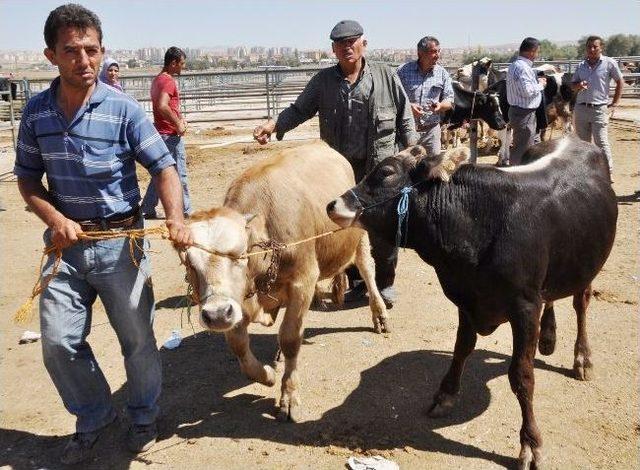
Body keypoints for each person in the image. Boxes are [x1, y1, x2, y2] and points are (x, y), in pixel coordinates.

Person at [13, 4, 192, 464]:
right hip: (64, 248)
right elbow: (28, 182)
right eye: (71, 50)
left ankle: (143, 415)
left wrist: (176, 218)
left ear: (102, 51)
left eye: (91, 50)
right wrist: (54, 219)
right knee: (57, 342)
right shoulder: (35, 114)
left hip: (121, 243)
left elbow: (164, 167)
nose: (84, 60)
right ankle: (94, 415)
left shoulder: (123, 109)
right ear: (51, 54)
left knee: (136, 338)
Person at [252, 19, 417, 308]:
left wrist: (413, 151)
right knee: (345, 227)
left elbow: (404, 117)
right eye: (341, 44)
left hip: (377, 171)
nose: (347, 47)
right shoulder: (323, 82)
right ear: (333, 50)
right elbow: (299, 110)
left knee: (383, 229)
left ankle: (385, 284)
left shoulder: (386, 77)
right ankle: (356, 282)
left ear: (363, 43)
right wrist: (273, 125)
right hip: (338, 172)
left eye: (352, 41)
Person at [141, 47, 192, 219]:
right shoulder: (169, 81)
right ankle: (186, 210)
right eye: (181, 64)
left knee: (160, 172)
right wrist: (178, 124)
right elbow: (163, 106)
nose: (182, 67)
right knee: (180, 173)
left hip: (161, 133)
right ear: (173, 63)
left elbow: (168, 106)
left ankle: (147, 208)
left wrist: (180, 119)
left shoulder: (158, 80)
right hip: (170, 135)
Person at [572, 35, 624, 179]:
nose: (592, 49)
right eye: (589, 47)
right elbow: (572, 85)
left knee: (601, 141)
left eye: (595, 46)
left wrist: (615, 103)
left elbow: (620, 82)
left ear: (601, 48)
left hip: (599, 108)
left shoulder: (609, 63)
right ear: (586, 49)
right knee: (582, 143)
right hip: (581, 108)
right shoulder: (580, 65)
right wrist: (578, 86)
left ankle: (608, 172)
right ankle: (585, 172)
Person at [397, 36, 454, 157]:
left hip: (431, 132)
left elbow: (449, 99)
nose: (437, 55)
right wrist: (408, 108)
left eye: (439, 51)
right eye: (433, 52)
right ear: (420, 53)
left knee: (432, 170)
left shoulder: (442, 73)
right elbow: (392, 98)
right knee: (406, 169)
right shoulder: (402, 71)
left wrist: (440, 106)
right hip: (407, 131)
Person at [506, 37, 547, 166]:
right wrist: (540, 84)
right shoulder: (523, 68)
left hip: (520, 112)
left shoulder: (514, 65)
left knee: (524, 146)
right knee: (522, 150)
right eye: (537, 52)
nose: (537, 55)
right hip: (524, 113)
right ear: (532, 51)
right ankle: (516, 179)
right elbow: (527, 91)